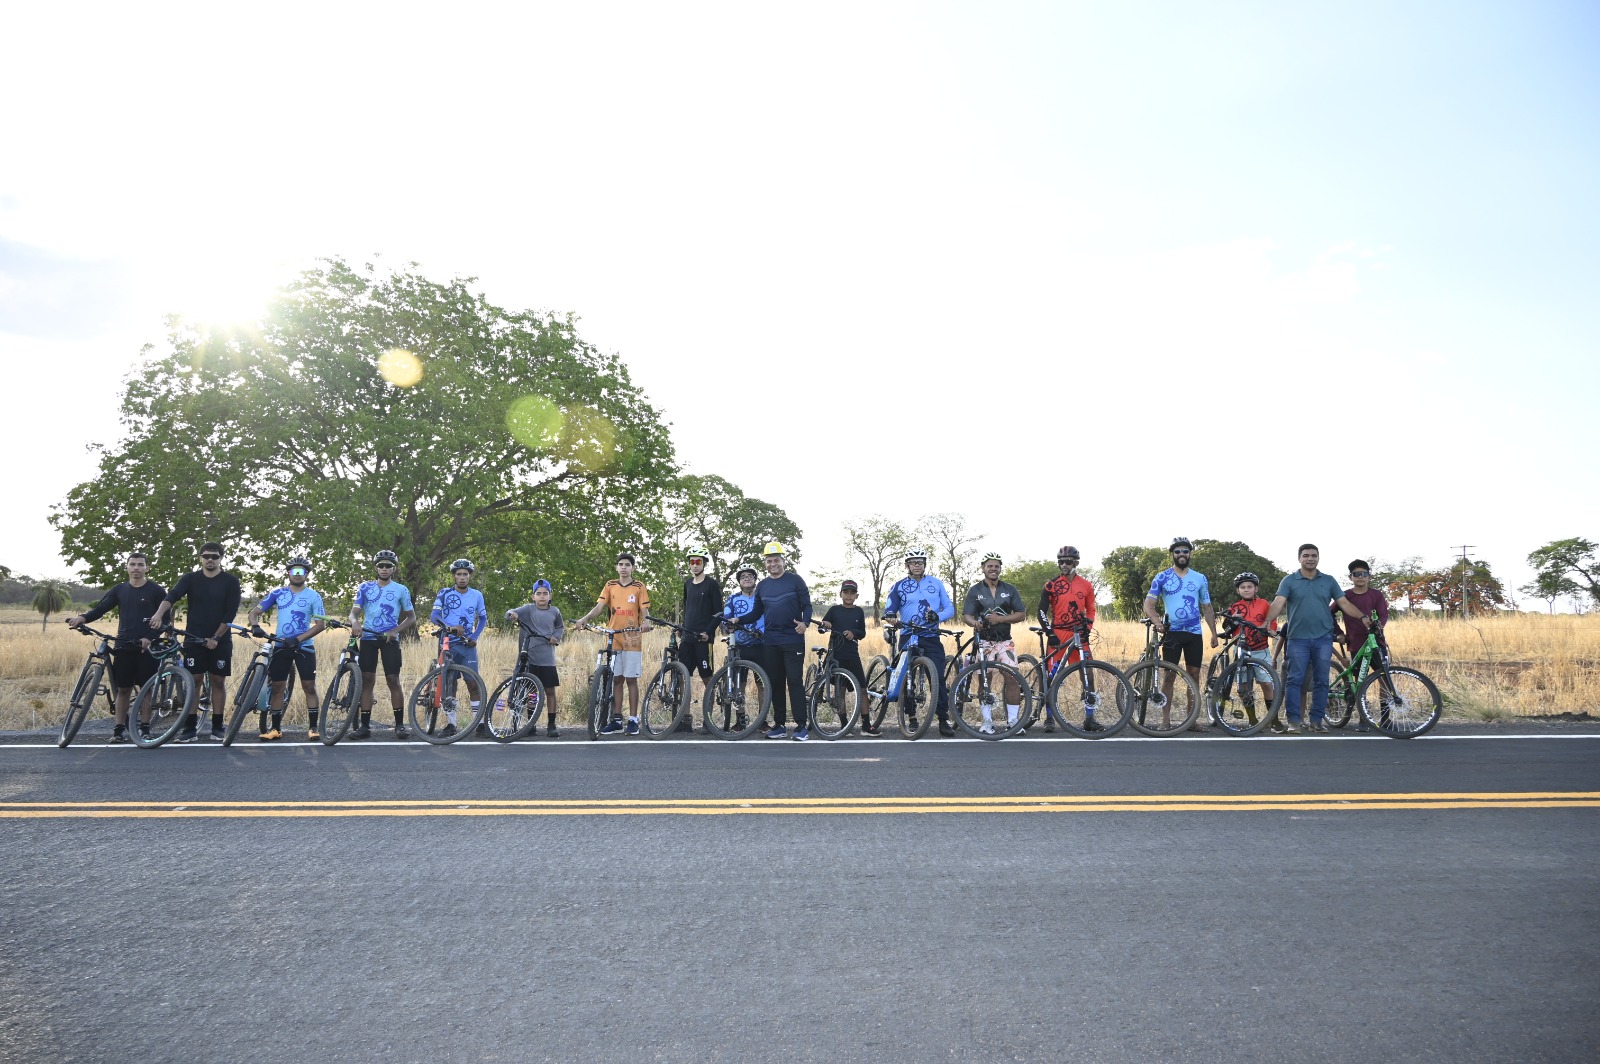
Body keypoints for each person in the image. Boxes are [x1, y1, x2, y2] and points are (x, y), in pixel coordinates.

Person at [66, 552, 167, 744]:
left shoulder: (157, 591)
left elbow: (165, 620)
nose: (136, 568)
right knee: (123, 689)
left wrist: (150, 637)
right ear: (126, 567)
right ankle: (119, 730)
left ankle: (145, 728)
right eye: (132, 564)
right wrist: (82, 618)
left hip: (147, 647)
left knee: (146, 689)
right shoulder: (119, 590)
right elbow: (101, 609)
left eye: (140, 564)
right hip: (123, 645)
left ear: (147, 568)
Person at [1265, 544, 1364, 733]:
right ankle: (1294, 721)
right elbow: (1278, 603)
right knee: (1294, 680)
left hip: (1323, 638)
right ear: (1299, 558)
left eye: (1313, 555)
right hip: (1297, 638)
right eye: (1306, 555)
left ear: (1318, 558)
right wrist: (1267, 621)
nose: (1310, 558)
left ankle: (1317, 721)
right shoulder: (1289, 581)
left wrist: (1363, 617)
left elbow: (1344, 603)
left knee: (1322, 681)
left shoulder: (1328, 580)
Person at [150, 542, 241, 742]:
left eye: (214, 556)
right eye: (206, 556)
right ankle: (190, 727)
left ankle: (217, 726)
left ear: (221, 558)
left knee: (218, 681)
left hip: (220, 639)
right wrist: (158, 614)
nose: (210, 560)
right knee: (194, 681)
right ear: (200, 558)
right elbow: (172, 596)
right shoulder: (190, 579)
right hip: (194, 637)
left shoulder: (230, 581)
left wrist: (216, 638)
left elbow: (230, 612)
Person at [738, 542, 814, 740]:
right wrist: (738, 620)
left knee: (794, 681)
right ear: (765, 563)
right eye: (769, 561)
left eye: (776, 560)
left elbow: (807, 606)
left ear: (783, 561)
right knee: (776, 682)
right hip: (770, 641)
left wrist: (805, 623)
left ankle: (801, 727)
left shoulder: (795, 580)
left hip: (793, 638)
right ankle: (779, 725)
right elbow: (756, 613)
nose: (773, 564)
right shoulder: (762, 586)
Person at [1142, 536, 1218, 731]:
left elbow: (1207, 607)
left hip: (1194, 633)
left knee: (1194, 675)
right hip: (1172, 632)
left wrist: (1214, 633)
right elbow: (1148, 605)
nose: (1181, 554)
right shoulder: (1162, 577)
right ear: (1172, 555)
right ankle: (1165, 721)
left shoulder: (1200, 578)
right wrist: (1157, 622)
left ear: (1190, 554)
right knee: (1169, 676)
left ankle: (1191, 720)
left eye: (1185, 551)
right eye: (1177, 551)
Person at [246, 556, 326, 741]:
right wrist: (255, 626)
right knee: (277, 687)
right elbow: (254, 613)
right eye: (293, 571)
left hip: (304, 647)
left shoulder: (314, 596)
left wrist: (298, 639)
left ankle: (313, 728)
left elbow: (320, 625)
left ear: (307, 574)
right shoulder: (278, 593)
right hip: (281, 645)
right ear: (288, 573)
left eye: (301, 571)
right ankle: (275, 729)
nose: (297, 574)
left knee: (309, 687)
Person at [574, 554, 652, 735]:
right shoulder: (610, 585)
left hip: (632, 637)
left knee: (631, 679)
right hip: (614, 636)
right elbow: (599, 607)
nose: (624, 567)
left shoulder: (639, 586)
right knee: (617, 679)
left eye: (627, 565)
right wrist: (585, 618)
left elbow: (644, 610)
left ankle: (633, 720)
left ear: (632, 568)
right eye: (621, 564)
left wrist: (646, 622)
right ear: (616, 567)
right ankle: (616, 720)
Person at [883, 548, 956, 737]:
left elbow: (950, 608)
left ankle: (943, 719)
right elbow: (890, 606)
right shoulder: (899, 585)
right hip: (908, 634)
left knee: (937, 678)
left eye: (920, 562)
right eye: (913, 562)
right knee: (907, 677)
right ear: (907, 565)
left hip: (931, 635)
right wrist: (890, 615)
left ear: (925, 565)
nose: (917, 565)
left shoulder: (936, 583)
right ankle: (912, 717)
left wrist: (937, 616)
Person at [350, 550, 416, 740]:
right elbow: (353, 613)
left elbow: (411, 617)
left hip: (390, 640)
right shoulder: (365, 587)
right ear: (376, 568)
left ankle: (399, 725)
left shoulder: (401, 589)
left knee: (393, 680)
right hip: (368, 637)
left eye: (388, 565)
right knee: (367, 680)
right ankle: (364, 727)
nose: (384, 568)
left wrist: (395, 630)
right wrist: (355, 622)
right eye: (381, 565)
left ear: (394, 569)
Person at [960, 552, 1027, 734]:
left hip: (1005, 641)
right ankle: (987, 722)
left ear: (1000, 568)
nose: (993, 569)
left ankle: (1013, 722)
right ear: (983, 568)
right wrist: (975, 623)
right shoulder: (975, 590)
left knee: (1012, 678)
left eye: (996, 566)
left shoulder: (1010, 589)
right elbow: (967, 615)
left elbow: (1021, 614)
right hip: (984, 641)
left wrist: (1001, 619)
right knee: (985, 680)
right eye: (990, 566)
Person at [1037, 544, 1098, 732]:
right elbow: (1041, 611)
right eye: (1061, 562)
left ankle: (1089, 718)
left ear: (1076, 563)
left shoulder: (1086, 585)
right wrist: (1049, 632)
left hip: (1079, 634)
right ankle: (1049, 718)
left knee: (1087, 675)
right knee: (1052, 677)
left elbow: (1091, 609)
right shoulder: (1051, 585)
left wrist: (1088, 628)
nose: (1064, 565)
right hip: (1058, 634)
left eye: (1068, 562)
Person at [429, 559, 489, 737]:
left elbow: (483, 618)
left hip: (467, 645)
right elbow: (434, 615)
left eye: (465, 574)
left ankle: (479, 724)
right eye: (459, 574)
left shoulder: (477, 595)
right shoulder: (444, 593)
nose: (462, 577)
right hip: (448, 643)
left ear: (470, 576)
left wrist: (474, 636)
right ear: (454, 576)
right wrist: (450, 627)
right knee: (450, 684)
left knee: (473, 683)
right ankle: (451, 724)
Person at [505, 579, 565, 737]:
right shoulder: (528, 609)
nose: (542, 596)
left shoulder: (555, 612)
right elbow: (509, 612)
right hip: (530, 657)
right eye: (538, 594)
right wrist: (512, 614)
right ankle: (531, 723)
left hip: (547, 658)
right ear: (533, 596)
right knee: (532, 691)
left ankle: (551, 724)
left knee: (550, 690)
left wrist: (555, 637)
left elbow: (560, 627)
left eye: (545, 593)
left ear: (550, 596)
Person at [1335, 559, 1389, 733]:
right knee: (1360, 680)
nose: (1360, 577)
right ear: (1350, 577)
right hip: (1356, 644)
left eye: (1364, 574)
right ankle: (1363, 718)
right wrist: (1338, 632)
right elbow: (1329, 614)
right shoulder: (1345, 596)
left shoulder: (1376, 595)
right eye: (1356, 574)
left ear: (1369, 576)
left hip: (1376, 643)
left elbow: (1383, 615)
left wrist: (1378, 626)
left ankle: (1386, 718)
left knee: (1384, 679)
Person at [1222, 572, 1278, 728]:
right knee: (1244, 686)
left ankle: (1273, 719)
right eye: (1243, 587)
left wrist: (1272, 630)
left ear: (1256, 589)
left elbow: (1272, 620)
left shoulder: (1264, 604)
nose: (1246, 589)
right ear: (1238, 590)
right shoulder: (1234, 606)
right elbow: (1227, 627)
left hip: (1260, 649)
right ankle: (1252, 719)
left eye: (1250, 587)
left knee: (1267, 684)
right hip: (1241, 649)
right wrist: (1232, 620)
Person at [679, 546, 722, 731]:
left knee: (707, 679)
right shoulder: (688, 584)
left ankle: (708, 720)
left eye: (698, 562)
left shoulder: (712, 584)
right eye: (692, 562)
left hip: (703, 640)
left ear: (704, 564)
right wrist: (682, 627)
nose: (695, 565)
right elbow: (686, 608)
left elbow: (719, 613)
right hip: (687, 638)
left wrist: (708, 632)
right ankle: (685, 719)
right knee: (683, 677)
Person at [719, 561, 765, 733]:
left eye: (750, 576)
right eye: (743, 577)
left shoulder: (762, 597)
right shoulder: (733, 598)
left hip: (761, 644)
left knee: (762, 684)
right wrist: (727, 626)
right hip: (740, 646)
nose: (747, 579)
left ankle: (762, 720)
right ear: (739, 581)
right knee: (740, 684)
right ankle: (741, 719)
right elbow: (726, 617)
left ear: (755, 579)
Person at [819, 579, 869, 731]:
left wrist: (853, 632)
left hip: (853, 655)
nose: (849, 595)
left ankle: (866, 725)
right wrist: (825, 624)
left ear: (856, 596)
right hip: (836, 655)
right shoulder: (834, 610)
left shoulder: (859, 611)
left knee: (862, 689)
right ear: (840, 594)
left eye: (852, 593)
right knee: (840, 690)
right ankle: (844, 724)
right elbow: (823, 626)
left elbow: (862, 633)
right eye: (845, 592)